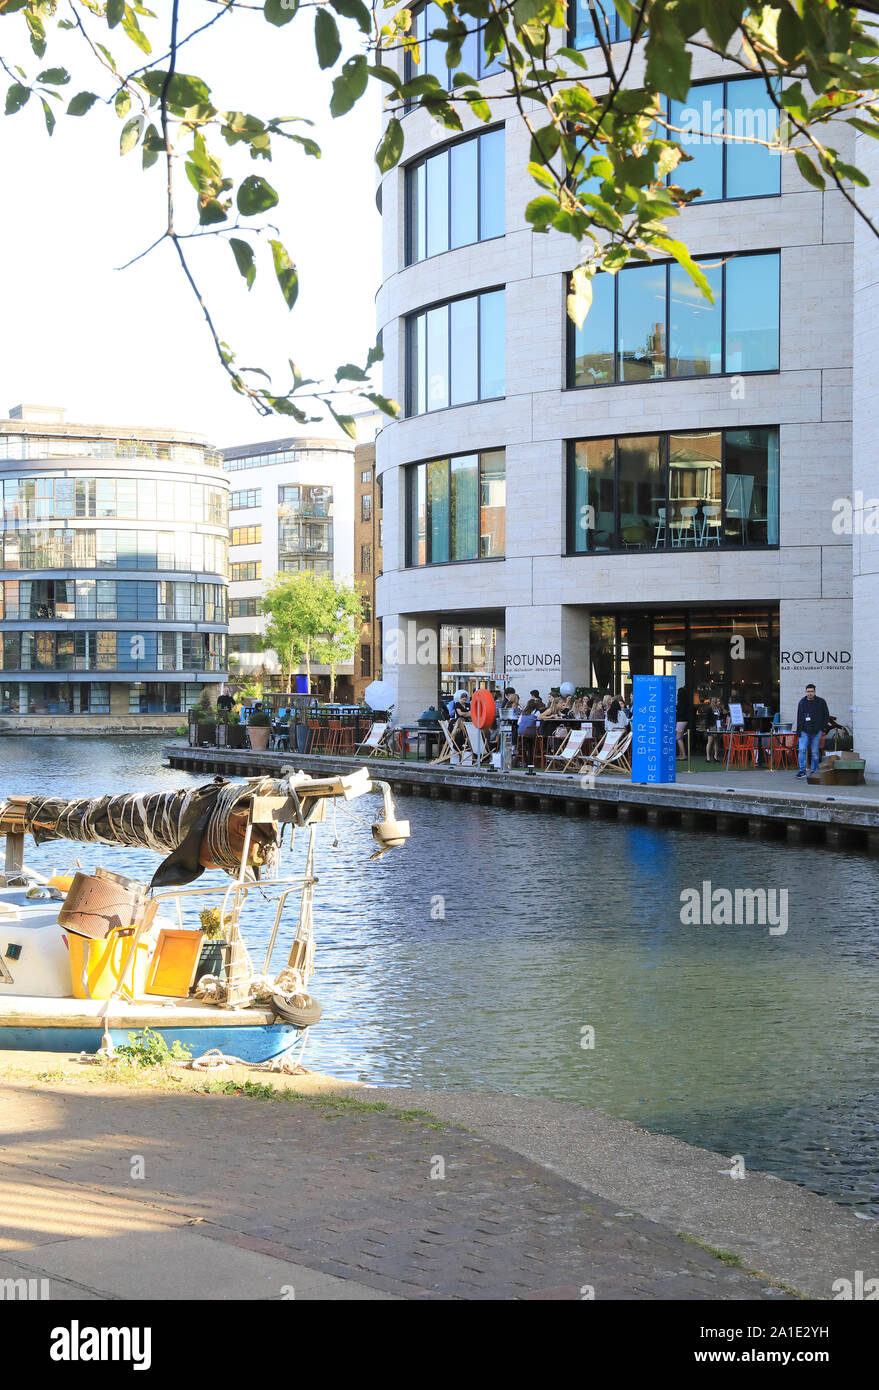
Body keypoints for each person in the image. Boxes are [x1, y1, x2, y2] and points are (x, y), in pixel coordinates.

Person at [795, 683, 831, 778]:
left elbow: (826, 715)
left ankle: (814, 771)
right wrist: (798, 731)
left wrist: (822, 728)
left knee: (815, 752)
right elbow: (799, 717)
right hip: (804, 731)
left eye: (811, 691)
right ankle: (802, 770)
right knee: (802, 750)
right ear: (805, 692)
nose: (809, 693)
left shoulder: (821, 702)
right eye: (808, 691)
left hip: (816, 731)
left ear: (815, 692)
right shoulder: (802, 702)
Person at [675, 685, 690, 759]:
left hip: (681, 720)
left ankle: (683, 755)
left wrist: (676, 712)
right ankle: (681, 754)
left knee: (678, 737)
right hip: (684, 720)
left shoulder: (681, 702)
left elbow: (680, 712)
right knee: (680, 737)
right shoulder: (686, 701)